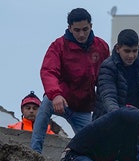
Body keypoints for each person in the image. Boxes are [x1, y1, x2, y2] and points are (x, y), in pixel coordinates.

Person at [31, 8, 110, 153]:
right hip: (60, 99)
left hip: (83, 107)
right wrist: (56, 94)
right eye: (77, 30)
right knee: (45, 104)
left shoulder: (101, 47)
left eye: (85, 29)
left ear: (91, 26)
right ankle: (34, 152)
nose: (81, 34)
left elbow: (106, 79)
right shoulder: (58, 46)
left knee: (91, 145)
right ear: (69, 28)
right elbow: (48, 71)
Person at [93, 29, 139, 119]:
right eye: (127, 51)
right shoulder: (107, 67)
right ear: (118, 49)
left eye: (134, 51)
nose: (131, 56)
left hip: (136, 119)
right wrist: (119, 117)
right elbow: (108, 96)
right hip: (108, 121)